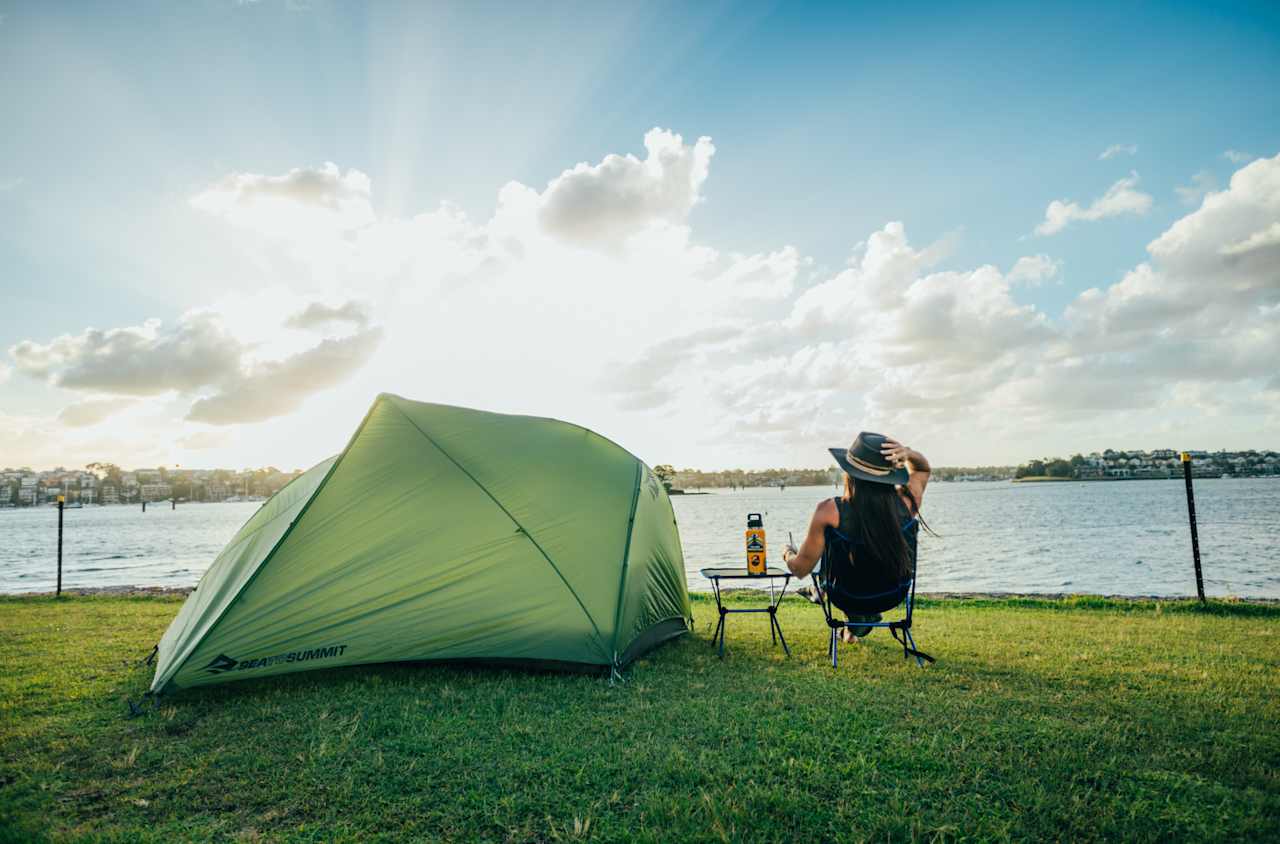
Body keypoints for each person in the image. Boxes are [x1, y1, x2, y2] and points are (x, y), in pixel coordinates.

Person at [782, 432, 932, 643]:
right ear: (889, 475)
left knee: (830, 551)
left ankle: (822, 593)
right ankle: (852, 624)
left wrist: (787, 553)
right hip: (893, 593)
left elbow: (799, 569)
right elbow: (923, 469)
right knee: (853, 550)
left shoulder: (829, 511)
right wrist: (908, 453)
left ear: (849, 474)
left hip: (847, 595)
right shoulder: (908, 501)